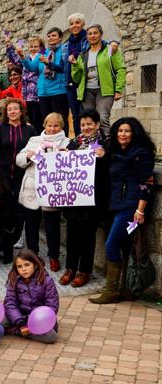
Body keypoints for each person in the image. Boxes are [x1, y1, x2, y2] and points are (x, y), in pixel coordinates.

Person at [90, 117, 155, 304]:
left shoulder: (140, 153)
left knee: (111, 245)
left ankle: (111, 290)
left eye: (127, 131)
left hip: (132, 210)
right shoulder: (117, 152)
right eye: (119, 131)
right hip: (117, 205)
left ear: (134, 133)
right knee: (124, 247)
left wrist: (140, 211)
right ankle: (125, 289)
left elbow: (146, 183)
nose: (123, 134)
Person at [61, 109, 110, 288]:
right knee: (72, 234)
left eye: (90, 124)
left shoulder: (105, 144)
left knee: (88, 235)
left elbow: (109, 170)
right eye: (83, 124)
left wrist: (103, 158)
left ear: (97, 125)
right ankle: (70, 268)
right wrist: (62, 156)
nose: (86, 127)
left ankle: (84, 270)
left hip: (93, 199)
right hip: (74, 198)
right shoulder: (73, 143)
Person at [16, 113, 70, 272]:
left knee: (52, 225)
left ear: (62, 127)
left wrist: (66, 155)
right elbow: (19, 160)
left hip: (53, 190)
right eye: (49, 125)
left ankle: (53, 256)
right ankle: (33, 255)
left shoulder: (67, 142)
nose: (52, 129)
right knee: (31, 224)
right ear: (44, 126)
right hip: (32, 188)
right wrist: (29, 155)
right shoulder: (34, 141)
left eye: (56, 126)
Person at [70, 24, 126, 138]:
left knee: (102, 118)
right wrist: (75, 66)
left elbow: (120, 69)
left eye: (95, 33)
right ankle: (92, 148)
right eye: (90, 34)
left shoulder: (110, 50)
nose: (93, 36)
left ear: (101, 35)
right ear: (87, 37)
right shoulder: (83, 54)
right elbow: (76, 79)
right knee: (89, 122)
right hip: (87, 91)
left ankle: (107, 147)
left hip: (104, 91)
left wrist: (119, 89)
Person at [19, 27, 70, 133]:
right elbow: (32, 67)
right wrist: (23, 58)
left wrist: (48, 63)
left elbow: (62, 68)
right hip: (43, 93)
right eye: (49, 36)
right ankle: (48, 145)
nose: (51, 38)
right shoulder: (43, 53)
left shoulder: (64, 50)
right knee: (47, 122)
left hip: (58, 91)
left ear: (60, 38)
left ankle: (63, 144)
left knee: (61, 121)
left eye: (54, 35)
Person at [3, 250, 59, 343]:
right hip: (19, 317)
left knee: (51, 336)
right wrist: (20, 322)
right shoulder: (14, 281)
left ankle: (15, 331)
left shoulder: (47, 281)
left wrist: (35, 321)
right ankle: (22, 329)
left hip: (39, 319)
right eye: (19, 266)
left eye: (27, 265)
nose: (23, 269)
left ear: (35, 265)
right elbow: (10, 303)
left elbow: (52, 306)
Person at [0, 98, 37, 196]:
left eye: (15, 109)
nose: (12, 111)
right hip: (4, 174)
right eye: (9, 109)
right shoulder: (0, 128)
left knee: (21, 205)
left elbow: (37, 149)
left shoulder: (30, 129)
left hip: (24, 174)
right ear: (6, 113)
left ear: (21, 112)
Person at [6, 35, 44, 131]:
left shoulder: (42, 58)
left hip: (37, 95)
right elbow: (14, 59)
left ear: (40, 48)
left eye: (35, 46)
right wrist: (9, 45)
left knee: (38, 121)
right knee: (30, 120)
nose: (33, 48)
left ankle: (40, 140)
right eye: (31, 46)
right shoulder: (27, 58)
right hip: (27, 96)